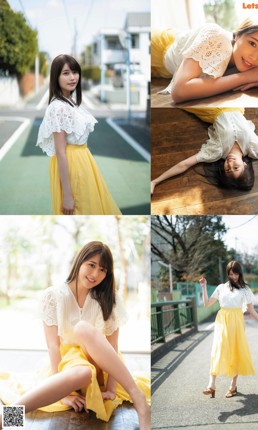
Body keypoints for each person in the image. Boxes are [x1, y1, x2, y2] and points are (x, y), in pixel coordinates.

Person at [0, 241, 150, 430]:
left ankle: (138, 399)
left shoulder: (108, 298)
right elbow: (53, 346)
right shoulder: (53, 296)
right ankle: (7, 419)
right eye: (91, 265)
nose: (95, 274)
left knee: (82, 329)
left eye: (103, 270)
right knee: (83, 370)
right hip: (69, 367)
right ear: (80, 261)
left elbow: (113, 347)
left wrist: (111, 388)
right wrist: (65, 394)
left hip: (104, 368)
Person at [37, 54, 121, 215]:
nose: (72, 77)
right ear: (56, 76)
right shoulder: (58, 107)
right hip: (72, 166)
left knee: (93, 207)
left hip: (83, 162)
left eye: (75, 72)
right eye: (66, 73)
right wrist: (67, 195)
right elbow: (60, 151)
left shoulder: (71, 102)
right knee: (82, 208)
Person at [151, 12, 258, 103]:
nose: (255, 57)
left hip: (160, 71)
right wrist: (246, 77)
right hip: (155, 46)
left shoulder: (256, 63)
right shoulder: (217, 37)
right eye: (252, 43)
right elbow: (179, 92)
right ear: (239, 34)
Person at [151, 107, 258, 194]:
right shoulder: (255, 149)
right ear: (245, 165)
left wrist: (155, 182)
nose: (230, 165)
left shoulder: (215, 152)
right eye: (236, 168)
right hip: (235, 105)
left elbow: (183, 165)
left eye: (228, 170)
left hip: (210, 109)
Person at [199, 260, 258, 398]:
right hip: (222, 321)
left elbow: (252, 311)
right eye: (231, 274)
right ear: (228, 274)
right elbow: (207, 304)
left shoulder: (245, 290)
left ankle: (233, 385)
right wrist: (203, 287)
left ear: (240, 273)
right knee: (218, 349)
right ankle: (211, 384)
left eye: (236, 274)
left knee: (235, 352)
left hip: (237, 323)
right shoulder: (221, 287)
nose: (234, 277)